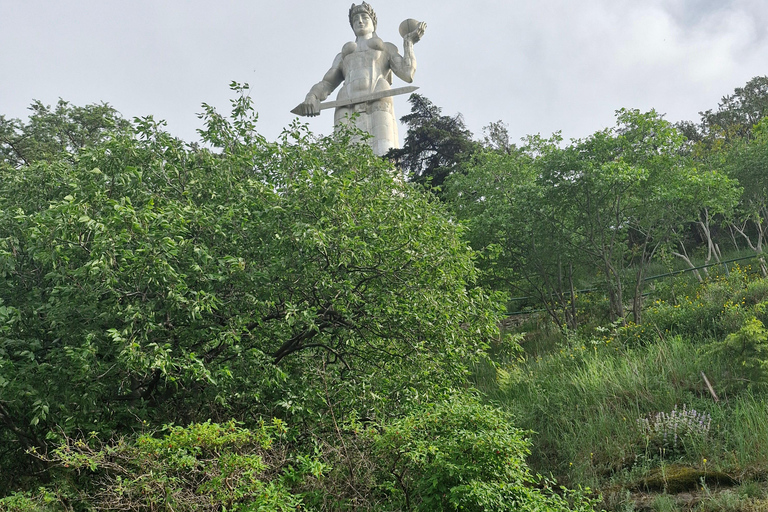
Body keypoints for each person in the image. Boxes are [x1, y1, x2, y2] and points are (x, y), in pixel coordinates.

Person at [294, 3, 426, 156]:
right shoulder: (343, 55)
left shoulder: (386, 48)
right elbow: (327, 83)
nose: (360, 21)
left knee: (385, 153)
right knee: (344, 158)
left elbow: (407, 73)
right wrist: (312, 96)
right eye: (355, 19)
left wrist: (408, 43)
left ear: (373, 23)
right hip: (345, 103)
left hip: (378, 96)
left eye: (364, 17)